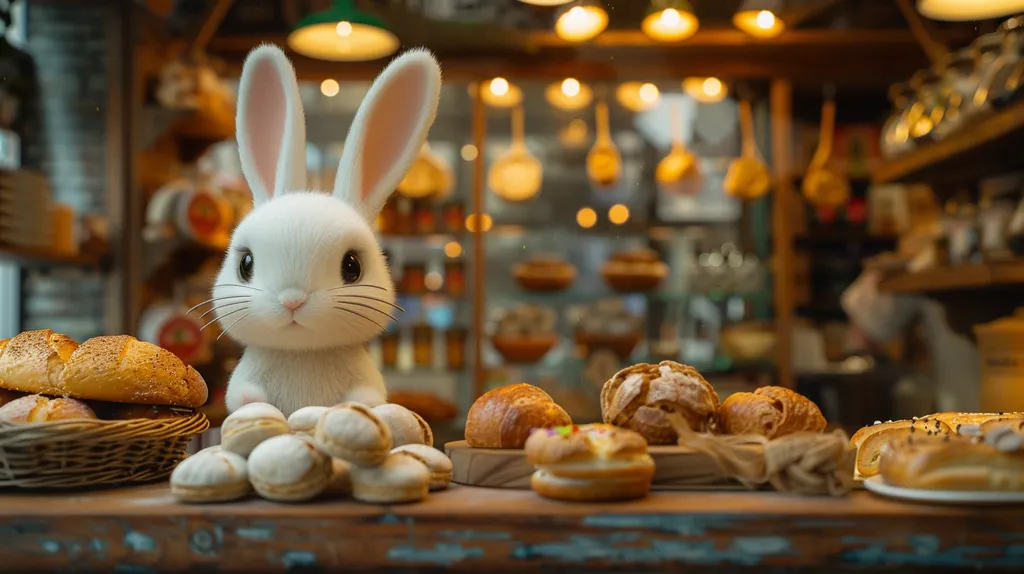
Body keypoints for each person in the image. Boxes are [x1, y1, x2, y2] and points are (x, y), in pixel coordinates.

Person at [841, 268, 980, 413]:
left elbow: (873, 325)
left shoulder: (925, 263)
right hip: (955, 402)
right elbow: (873, 324)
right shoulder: (922, 265)